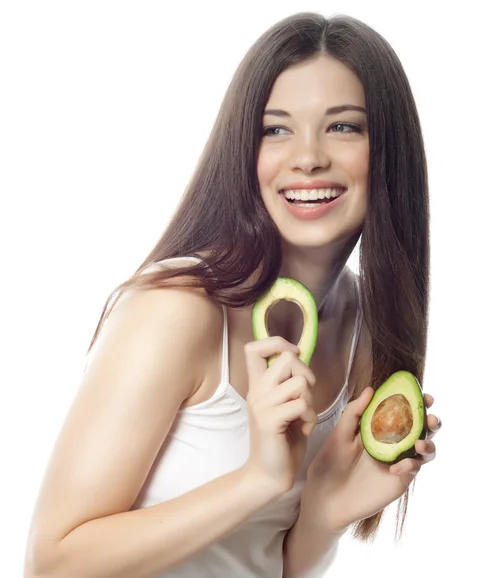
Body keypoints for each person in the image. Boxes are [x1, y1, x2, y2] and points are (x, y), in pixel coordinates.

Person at [23, 11, 441, 578]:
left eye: (343, 127)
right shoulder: (178, 310)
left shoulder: (366, 325)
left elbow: (269, 567)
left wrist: (322, 512)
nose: (308, 156)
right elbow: (52, 563)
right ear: (245, 149)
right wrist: (257, 480)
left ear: (389, 150)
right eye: (276, 128)